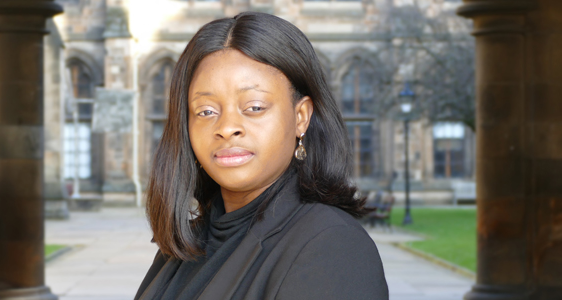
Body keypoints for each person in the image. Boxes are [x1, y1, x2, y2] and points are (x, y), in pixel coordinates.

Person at [135, 12, 388, 300]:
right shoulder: (188, 242)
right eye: (206, 111)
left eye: (254, 107)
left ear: (300, 116)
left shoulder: (333, 246)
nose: (227, 128)